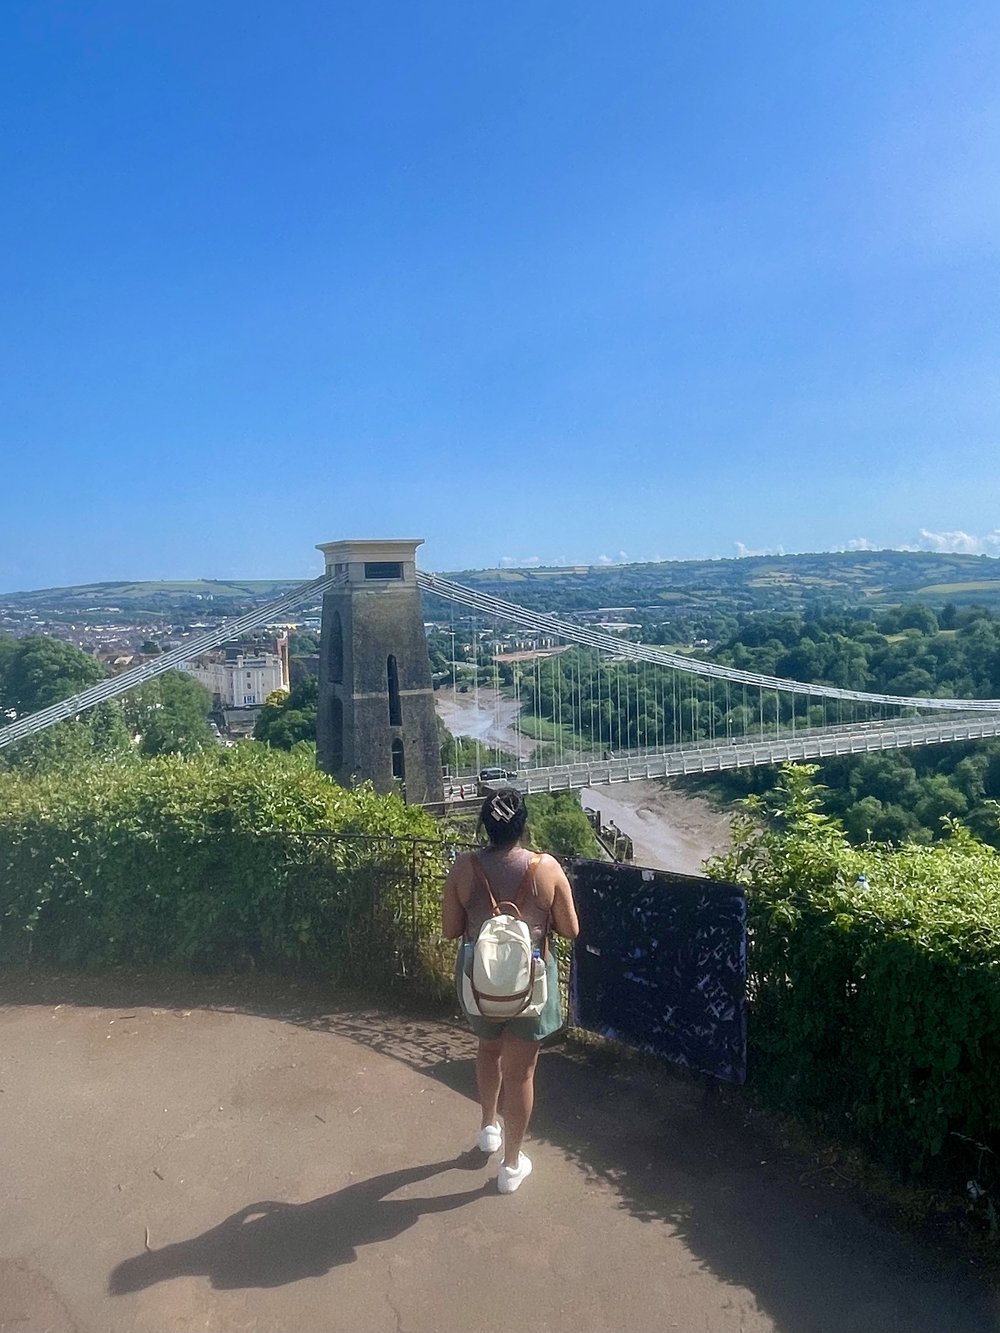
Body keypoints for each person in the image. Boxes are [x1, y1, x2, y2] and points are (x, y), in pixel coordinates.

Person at [442, 787, 580, 1194]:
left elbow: (452, 930)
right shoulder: (546, 867)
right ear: (523, 826)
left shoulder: (463, 867)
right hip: (530, 987)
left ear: (484, 825)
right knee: (520, 1073)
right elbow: (571, 930)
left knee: (487, 1051)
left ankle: (488, 1128)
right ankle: (511, 1166)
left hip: (479, 983)